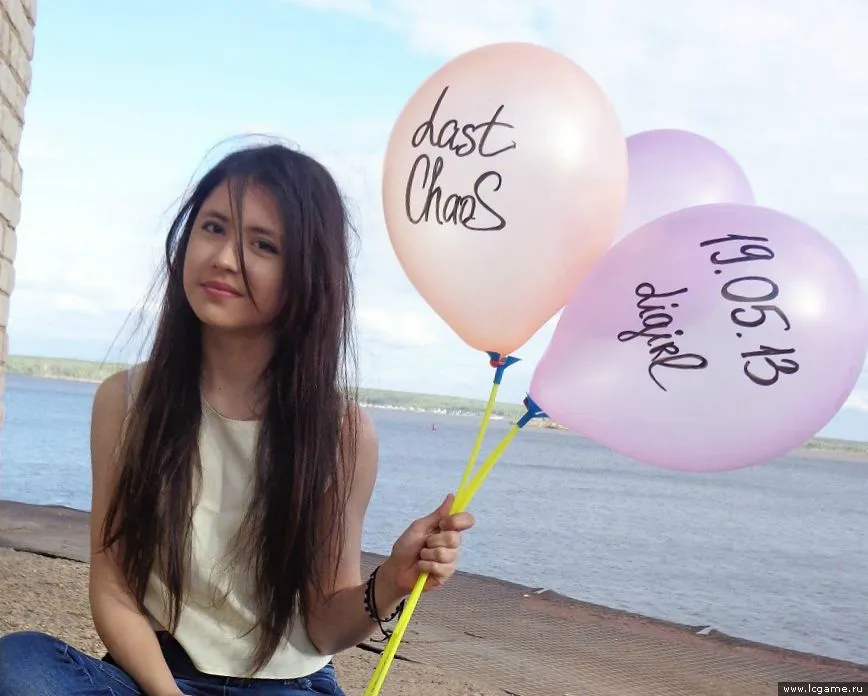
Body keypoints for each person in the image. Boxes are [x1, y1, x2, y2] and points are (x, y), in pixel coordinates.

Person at [0, 140, 475, 695]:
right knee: (22, 666)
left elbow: (325, 625)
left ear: (307, 273)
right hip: (156, 676)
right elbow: (113, 590)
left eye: (263, 244)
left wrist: (393, 578)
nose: (225, 257)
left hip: (288, 684)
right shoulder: (126, 401)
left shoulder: (341, 433)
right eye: (213, 228)